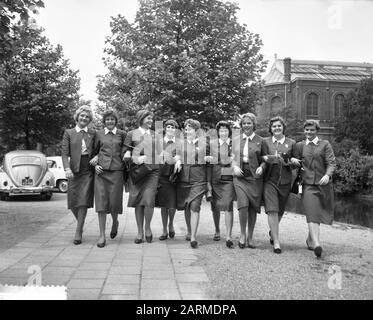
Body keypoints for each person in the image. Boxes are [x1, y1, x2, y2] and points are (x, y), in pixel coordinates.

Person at [294, 119, 336, 258]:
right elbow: (294, 161)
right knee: (312, 212)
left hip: (323, 185)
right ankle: (317, 244)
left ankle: (310, 239)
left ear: (317, 131)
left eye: (312, 130)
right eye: (306, 130)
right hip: (307, 185)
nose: (309, 132)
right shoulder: (300, 145)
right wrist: (293, 161)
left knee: (318, 213)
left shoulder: (325, 144)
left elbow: (331, 163)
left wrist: (327, 175)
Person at [262, 116, 299, 254]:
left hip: (285, 182)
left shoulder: (292, 143)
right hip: (269, 181)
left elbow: (296, 163)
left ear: (283, 127)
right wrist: (267, 159)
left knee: (280, 211)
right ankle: (276, 242)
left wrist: (291, 161)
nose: (277, 128)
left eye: (279, 126)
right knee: (272, 209)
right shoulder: (265, 142)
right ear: (270, 129)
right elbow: (261, 157)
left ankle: (273, 231)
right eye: (274, 126)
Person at [91, 110, 127, 248]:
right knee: (101, 203)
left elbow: (126, 150)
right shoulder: (98, 134)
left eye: (112, 119)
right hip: (101, 172)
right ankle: (102, 235)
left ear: (115, 120)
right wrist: (95, 164)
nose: (110, 121)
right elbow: (93, 152)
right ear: (104, 121)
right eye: (107, 119)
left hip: (117, 172)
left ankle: (115, 221)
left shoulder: (122, 134)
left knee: (114, 203)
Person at [124, 109, 160, 244]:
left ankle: (148, 227)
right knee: (138, 201)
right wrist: (136, 158)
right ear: (141, 119)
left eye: (151, 118)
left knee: (149, 200)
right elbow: (125, 152)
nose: (151, 121)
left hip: (153, 171)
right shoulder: (131, 134)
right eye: (148, 118)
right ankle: (140, 231)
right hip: (137, 172)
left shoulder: (156, 135)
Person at [61, 106, 95, 245]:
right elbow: (64, 153)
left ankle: (78, 231)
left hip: (88, 169)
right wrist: (67, 168)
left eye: (87, 117)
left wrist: (97, 157)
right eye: (82, 116)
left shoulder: (93, 133)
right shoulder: (69, 133)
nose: (84, 118)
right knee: (73, 202)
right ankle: (80, 223)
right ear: (77, 116)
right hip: (74, 170)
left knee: (83, 201)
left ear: (89, 119)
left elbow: (100, 148)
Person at [232, 112, 265, 249]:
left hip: (255, 177)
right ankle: (242, 235)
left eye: (249, 123)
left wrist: (262, 167)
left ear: (253, 124)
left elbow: (265, 159)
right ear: (241, 125)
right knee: (243, 205)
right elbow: (231, 156)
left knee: (253, 207)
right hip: (240, 176)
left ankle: (250, 236)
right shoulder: (236, 139)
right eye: (244, 123)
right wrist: (234, 166)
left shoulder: (261, 140)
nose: (246, 125)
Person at [176, 119, 208, 249]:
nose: (187, 131)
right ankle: (189, 231)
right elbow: (177, 155)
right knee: (187, 205)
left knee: (195, 205)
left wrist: (208, 158)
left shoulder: (205, 144)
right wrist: (178, 161)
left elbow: (213, 157)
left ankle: (193, 237)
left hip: (199, 179)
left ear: (196, 131)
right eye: (186, 129)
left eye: (190, 129)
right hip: (184, 178)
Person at [208, 121, 236, 248]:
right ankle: (217, 230)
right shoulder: (212, 144)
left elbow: (235, 159)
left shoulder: (234, 143)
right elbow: (209, 161)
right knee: (215, 206)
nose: (223, 132)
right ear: (218, 132)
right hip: (215, 177)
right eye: (221, 131)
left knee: (228, 205)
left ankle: (229, 236)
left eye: (225, 130)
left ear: (229, 132)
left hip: (228, 178)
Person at [156, 119, 181, 240]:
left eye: (173, 127)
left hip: (175, 177)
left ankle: (171, 223)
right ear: (165, 129)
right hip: (162, 176)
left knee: (172, 204)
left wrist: (179, 159)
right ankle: (165, 229)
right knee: (163, 205)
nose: (171, 129)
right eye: (169, 127)